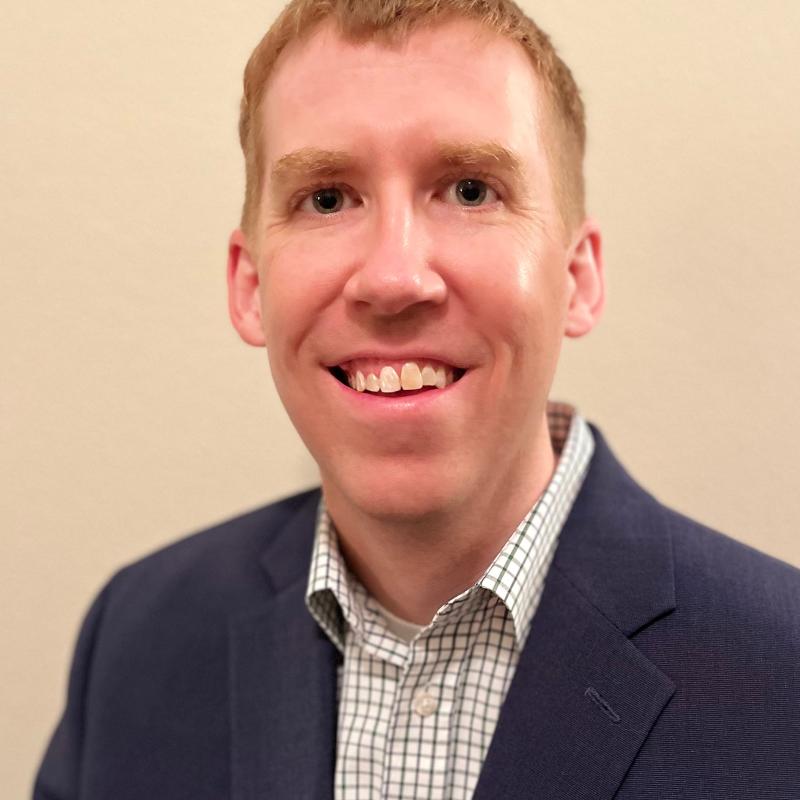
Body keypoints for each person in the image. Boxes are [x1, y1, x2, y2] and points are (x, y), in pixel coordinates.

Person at [34, 0, 800, 798]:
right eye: (327, 199)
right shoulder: (136, 639)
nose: (394, 278)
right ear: (250, 286)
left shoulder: (787, 681)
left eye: (470, 190)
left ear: (578, 277)